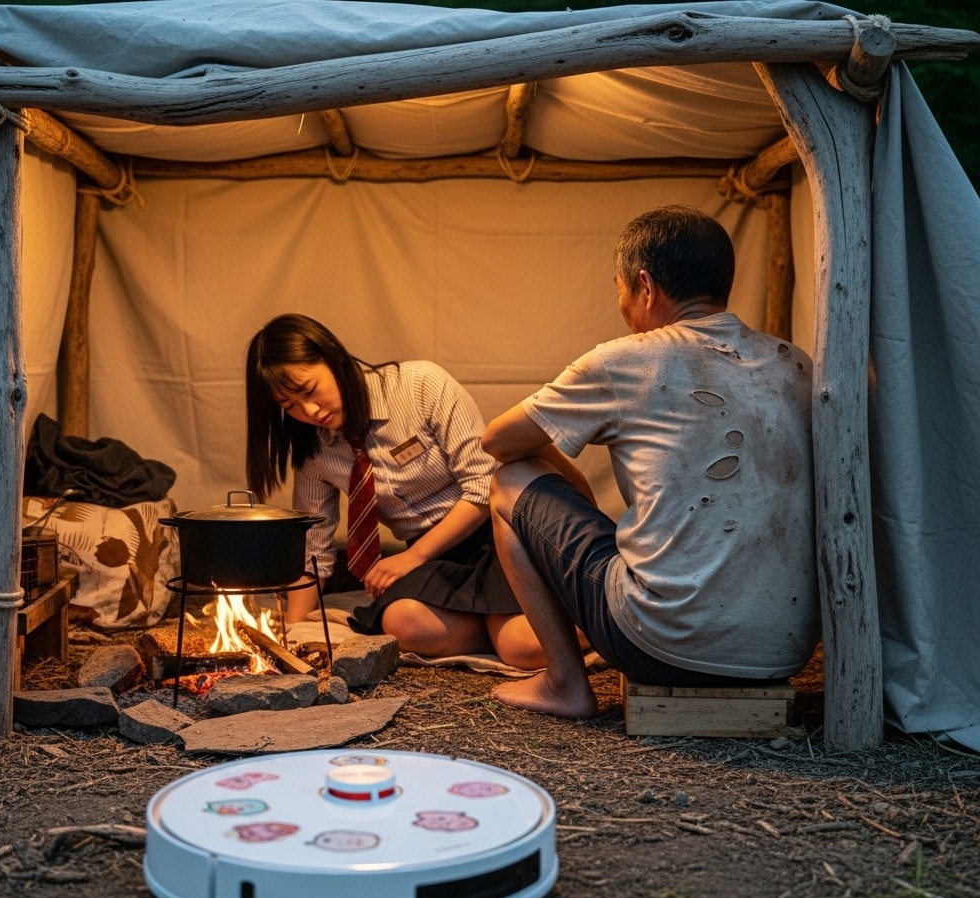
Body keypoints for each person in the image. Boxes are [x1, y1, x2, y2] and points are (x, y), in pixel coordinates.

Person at [481, 205, 820, 718]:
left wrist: (569, 472)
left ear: (644, 286)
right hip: (782, 652)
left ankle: (564, 682)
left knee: (509, 480)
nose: (622, 305)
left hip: (659, 644)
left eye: (619, 289)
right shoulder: (796, 364)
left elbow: (499, 441)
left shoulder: (625, 360)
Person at [245, 313, 543, 667]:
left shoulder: (420, 386)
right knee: (401, 623)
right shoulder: (316, 451)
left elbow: (482, 486)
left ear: (332, 356)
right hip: (437, 559)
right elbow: (314, 549)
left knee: (520, 648)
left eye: (309, 390)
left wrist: (412, 558)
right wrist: (293, 628)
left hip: (498, 535)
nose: (309, 410)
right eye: (289, 406)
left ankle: (554, 626)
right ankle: (496, 628)